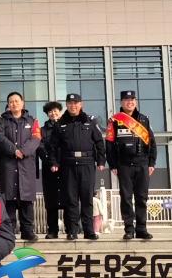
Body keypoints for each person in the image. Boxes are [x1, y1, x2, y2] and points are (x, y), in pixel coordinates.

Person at [49, 93, 105, 241]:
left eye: (76, 103)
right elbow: (53, 146)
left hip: (87, 164)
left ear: (81, 104)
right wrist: (54, 163)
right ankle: (72, 231)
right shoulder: (60, 123)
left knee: (87, 198)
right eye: (70, 103)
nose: (73, 106)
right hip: (68, 165)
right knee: (71, 199)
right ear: (66, 105)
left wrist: (101, 161)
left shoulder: (90, 121)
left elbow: (99, 142)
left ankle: (89, 231)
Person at [106, 90, 156, 240]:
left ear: (136, 102)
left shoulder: (144, 119)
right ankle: (129, 229)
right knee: (126, 198)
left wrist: (151, 162)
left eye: (132, 99)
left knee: (142, 197)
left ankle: (142, 229)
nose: (130, 102)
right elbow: (109, 144)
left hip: (142, 163)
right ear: (121, 102)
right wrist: (112, 164)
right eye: (127, 100)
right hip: (124, 164)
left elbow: (152, 142)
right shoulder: (115, 120)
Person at [0, 91, 41, 241]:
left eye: (16, 101)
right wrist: (14, 150)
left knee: (26, 200)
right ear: (8, 104)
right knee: (9, 200)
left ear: (22, 103)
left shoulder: (32, 121)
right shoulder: (2, 121)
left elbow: (36, 139)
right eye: (11, 101)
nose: (14, 104)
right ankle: (9, 231)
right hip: (8, 165)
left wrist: (23, 151)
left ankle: (28, 231)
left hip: (26, 165)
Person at [39, 101, 63, 239]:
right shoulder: (42, 130)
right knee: (51, 200)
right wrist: (51, 163)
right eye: (50, 112)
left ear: (60, 112)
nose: (53, 113)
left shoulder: (66, 126)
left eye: (55, 111)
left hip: (65, 168)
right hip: (49, 169)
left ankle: (72, 228)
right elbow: (41, 147)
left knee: (69, 198)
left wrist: (60, 162)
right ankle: (52, 230)